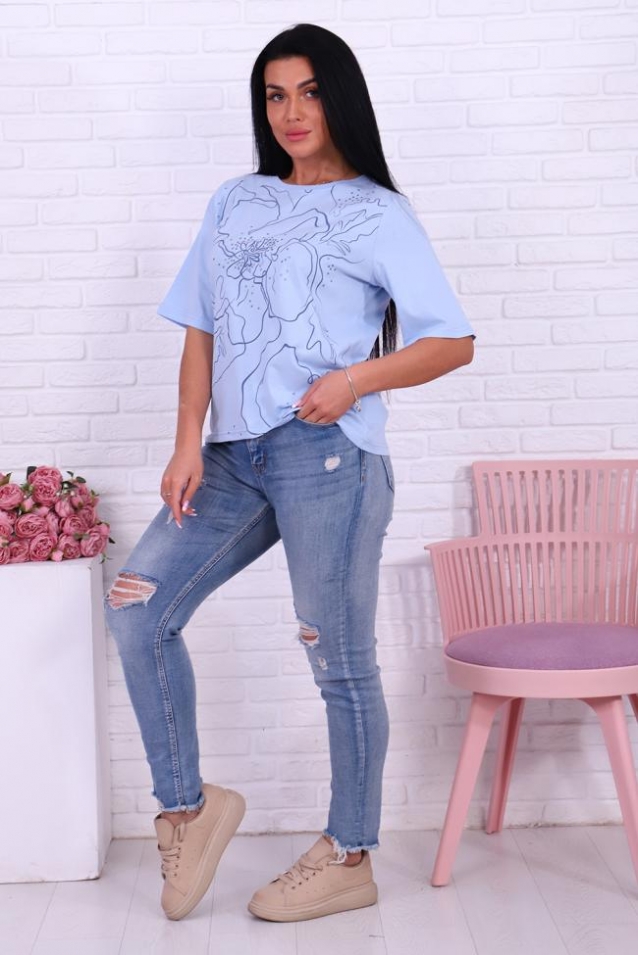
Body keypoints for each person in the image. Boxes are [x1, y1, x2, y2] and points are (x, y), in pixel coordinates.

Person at [105, 22, 474, 924]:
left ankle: (350, 853)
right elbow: (200, 326)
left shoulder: (378, 213)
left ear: (338, 96)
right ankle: (187, 809)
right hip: (233, 457)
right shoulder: (237, 200)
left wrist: (355, 380)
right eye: (275, 95)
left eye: (309, 92)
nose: (291, 112)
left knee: (335, 657)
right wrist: (186, 439)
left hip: (330, 456)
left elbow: (451, 341)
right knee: (138, 606)